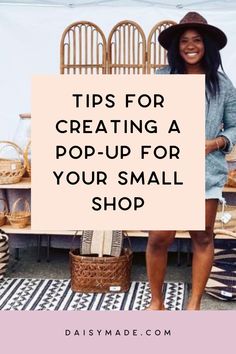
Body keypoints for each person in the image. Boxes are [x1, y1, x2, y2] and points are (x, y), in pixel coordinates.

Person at [146, 12, 236, 310]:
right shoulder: (161, 79)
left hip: (205, 173)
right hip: (166, 171)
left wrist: (217, 142)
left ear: (207, 45)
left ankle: (194, 304)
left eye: (197, 40)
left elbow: (234, 125)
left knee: (202, 236)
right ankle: (156, 303)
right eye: (184, 41)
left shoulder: (222, 85)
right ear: (176, 47)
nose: (191, 46)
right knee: (160, 236)